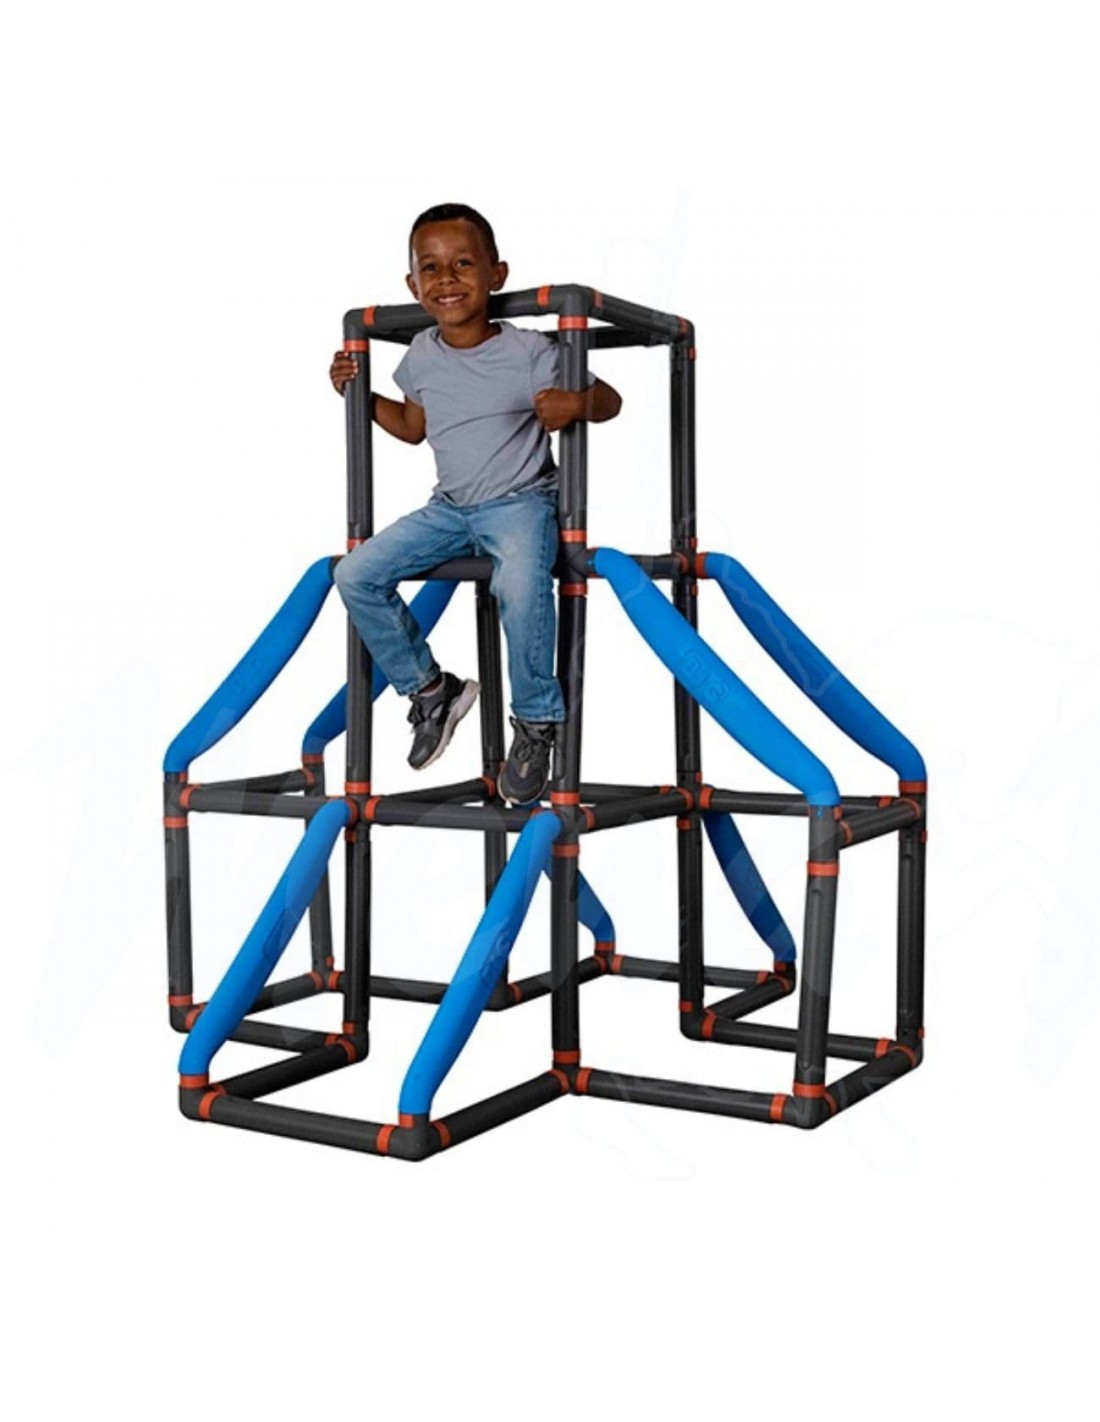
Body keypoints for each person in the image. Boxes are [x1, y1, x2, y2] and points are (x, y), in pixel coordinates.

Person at [330, 203, 622, 805]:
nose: (446, 279)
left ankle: (536, 721)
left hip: (520, 502)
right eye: (431, 268)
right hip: (450, 508)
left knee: (519, 584)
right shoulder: (421, 353)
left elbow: (609, 400)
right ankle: (431, 691)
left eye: (463, 264)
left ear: (496, 274)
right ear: (413, 284)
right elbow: (413, 426)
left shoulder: (527, 350)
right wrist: (359, 395)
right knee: (355, 573)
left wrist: (577, 404)